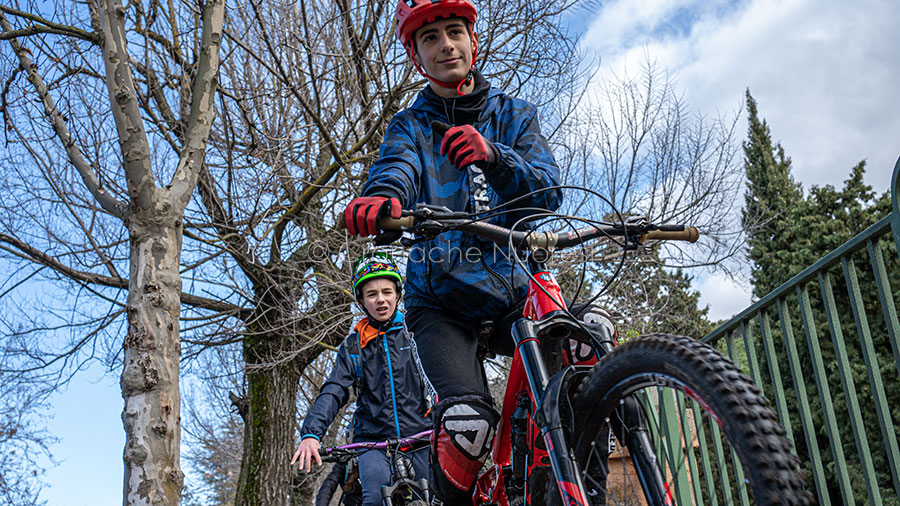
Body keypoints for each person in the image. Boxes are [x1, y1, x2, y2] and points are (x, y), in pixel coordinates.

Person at [342, 0, 567, 503]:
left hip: (517, 287)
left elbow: (549, 191)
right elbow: (395, 170)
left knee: (588, 346)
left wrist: (494, 156)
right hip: (442, 300)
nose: (445, 44)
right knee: (468, 424)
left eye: (454, 31)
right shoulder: (410, 126)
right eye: (430, 37)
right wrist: (383, 200)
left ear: (472, 40)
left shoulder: (513, 115)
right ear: (417, 57)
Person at [292, 252, 431, 506]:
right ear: (361, 300)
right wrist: (311, 434)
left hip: (422, 436)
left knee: (435, 498)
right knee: (376, 500)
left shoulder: (416, 333)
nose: (381, 300)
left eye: (387, 292)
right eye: (371, 294)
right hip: (373, 442)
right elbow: (334, 390)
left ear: (398, 294)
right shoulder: (354, 345)